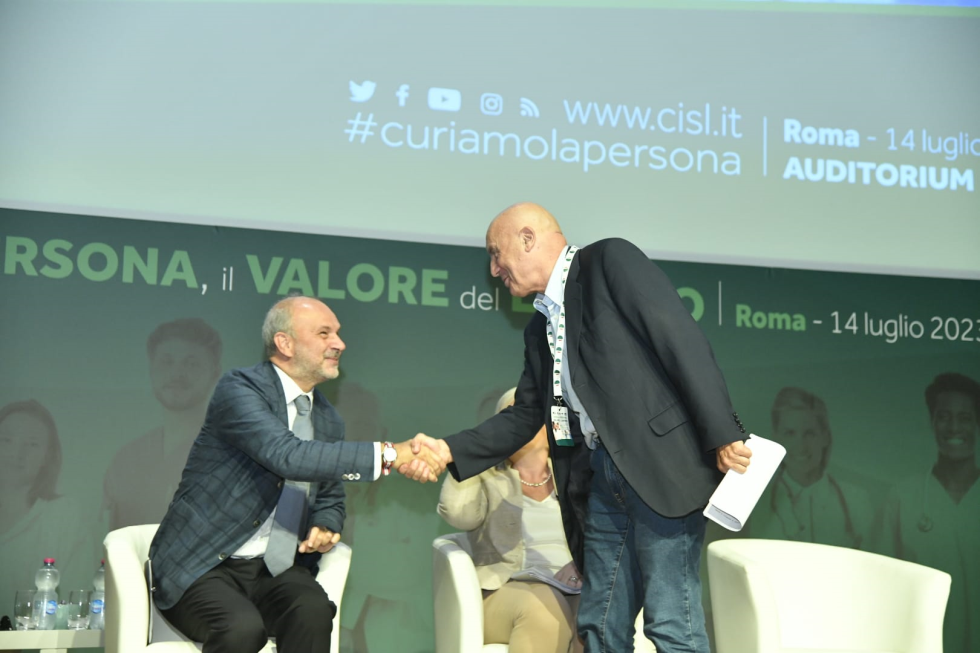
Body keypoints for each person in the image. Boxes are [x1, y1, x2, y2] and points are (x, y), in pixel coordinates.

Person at [416, 203, 752, 652]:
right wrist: (446, 449)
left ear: (528, 239)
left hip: (660, 468)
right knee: (598, 624)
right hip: (600, 481)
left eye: (497, 253)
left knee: (672, 624)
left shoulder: (608, 261)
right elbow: (525, 415)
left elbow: (679, 338)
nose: (494, 269)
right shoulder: (538, 327)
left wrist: (722, 432)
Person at [148, 296, 440, 653]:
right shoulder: (240, 389)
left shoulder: (328, 418)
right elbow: (287, 456)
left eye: (338, 333)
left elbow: (330, 493)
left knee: (314, 612)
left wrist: (325, 523)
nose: (339, 344)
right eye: (324, 333)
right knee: (241, 630)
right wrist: (391, 454)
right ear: (284, 343)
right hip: (204, 563)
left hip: (274, 570)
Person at [438, 388, 583, 653]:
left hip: (573, 588)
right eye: (512, 413)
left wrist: (581, 563)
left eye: (529, 411)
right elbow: (457, 514)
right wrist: (475, 453)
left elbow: (603, 534)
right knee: (544, 606)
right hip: (504, 592)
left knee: (596, 615)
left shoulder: (574, 475)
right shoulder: (487, 476)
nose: (521, 421)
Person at [885, 372, 980, 653]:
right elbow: (880, 586)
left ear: (977, 422)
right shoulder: (902, 498)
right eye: (944, 417)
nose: (954, 427)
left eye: (965, 417)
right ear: (932, 422)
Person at [102, 318, 222, 530]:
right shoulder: (125, 461)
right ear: (151, 369)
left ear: (214, 374)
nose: (177, 374)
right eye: (167, 362)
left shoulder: (229, 454)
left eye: (191, 363)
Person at [0, 399, 95, 614]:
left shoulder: (65, 517)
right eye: (6, 440)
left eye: (32, 444)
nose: (17, 453)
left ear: (47, 456)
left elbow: (76, 606)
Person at [750, 387, 874, 549]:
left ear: (825, 437)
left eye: (809, 433)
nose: (801, 446)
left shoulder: (856, 501)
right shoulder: (756, 502)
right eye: (790, 433)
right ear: (776, 438)